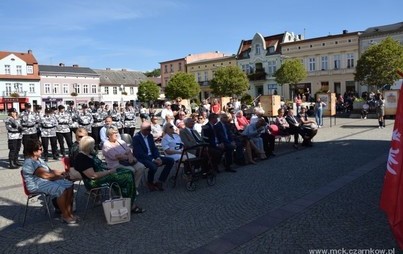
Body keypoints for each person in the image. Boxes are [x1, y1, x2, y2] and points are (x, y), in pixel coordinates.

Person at [74, 136, 144, 214]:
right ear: (88, 146)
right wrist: (109, 171)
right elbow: (92, 176)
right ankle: (131, 204)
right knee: (126, 177)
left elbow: (100, 166)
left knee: (127, 171)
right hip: (94, 181)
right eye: (93, 144)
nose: (94, 146)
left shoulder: (89, 154)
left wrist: (109, 169)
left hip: (103, 173)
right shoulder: (82, 158)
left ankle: (126, 199)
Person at [22, 140, 77, 224]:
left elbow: (50, 171)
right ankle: (65, 215)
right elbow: (45, 175)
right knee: (61, 190)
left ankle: (69, 213)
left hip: (44, 181)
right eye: (40, 149)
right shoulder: (29, 162)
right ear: (34, 151)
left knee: (69, 185)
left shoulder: (39, 159)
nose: (42, 150)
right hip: (36, 185)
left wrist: (62, 173)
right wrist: (61, 176)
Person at [132, 122, 174, 192]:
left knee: (170, 161)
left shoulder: (150, 136)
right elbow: (140, 153)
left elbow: (154, 148)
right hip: (143, 158)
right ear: (142, 129)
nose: (150, 131)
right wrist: (153, 160)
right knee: (153, 166)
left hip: (153, 156)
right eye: (148, 130)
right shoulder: (136, 138)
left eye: (150, 129)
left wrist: (157, 157)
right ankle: (150, 182)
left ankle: (160, 181)